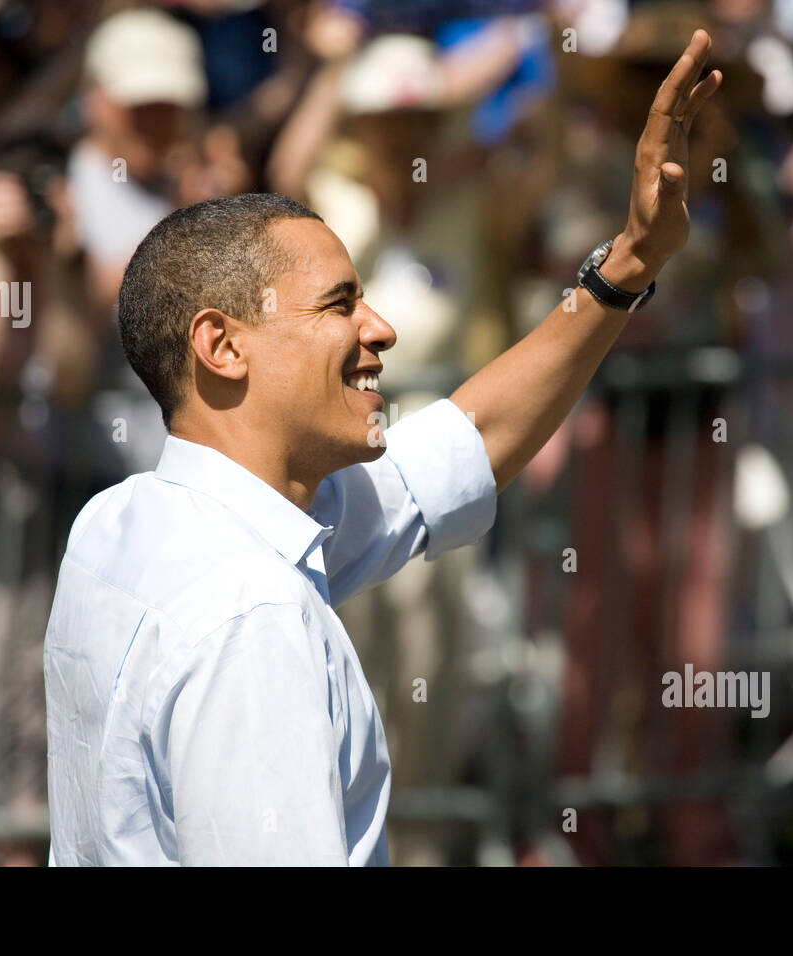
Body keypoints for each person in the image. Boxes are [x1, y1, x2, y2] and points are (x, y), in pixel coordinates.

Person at [43, 31, 722, 866]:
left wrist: (627, 265)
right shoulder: (252, 617)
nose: (382, 329)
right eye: (339, 305)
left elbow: (464, 445)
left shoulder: (119, 526)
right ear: (222, 346)